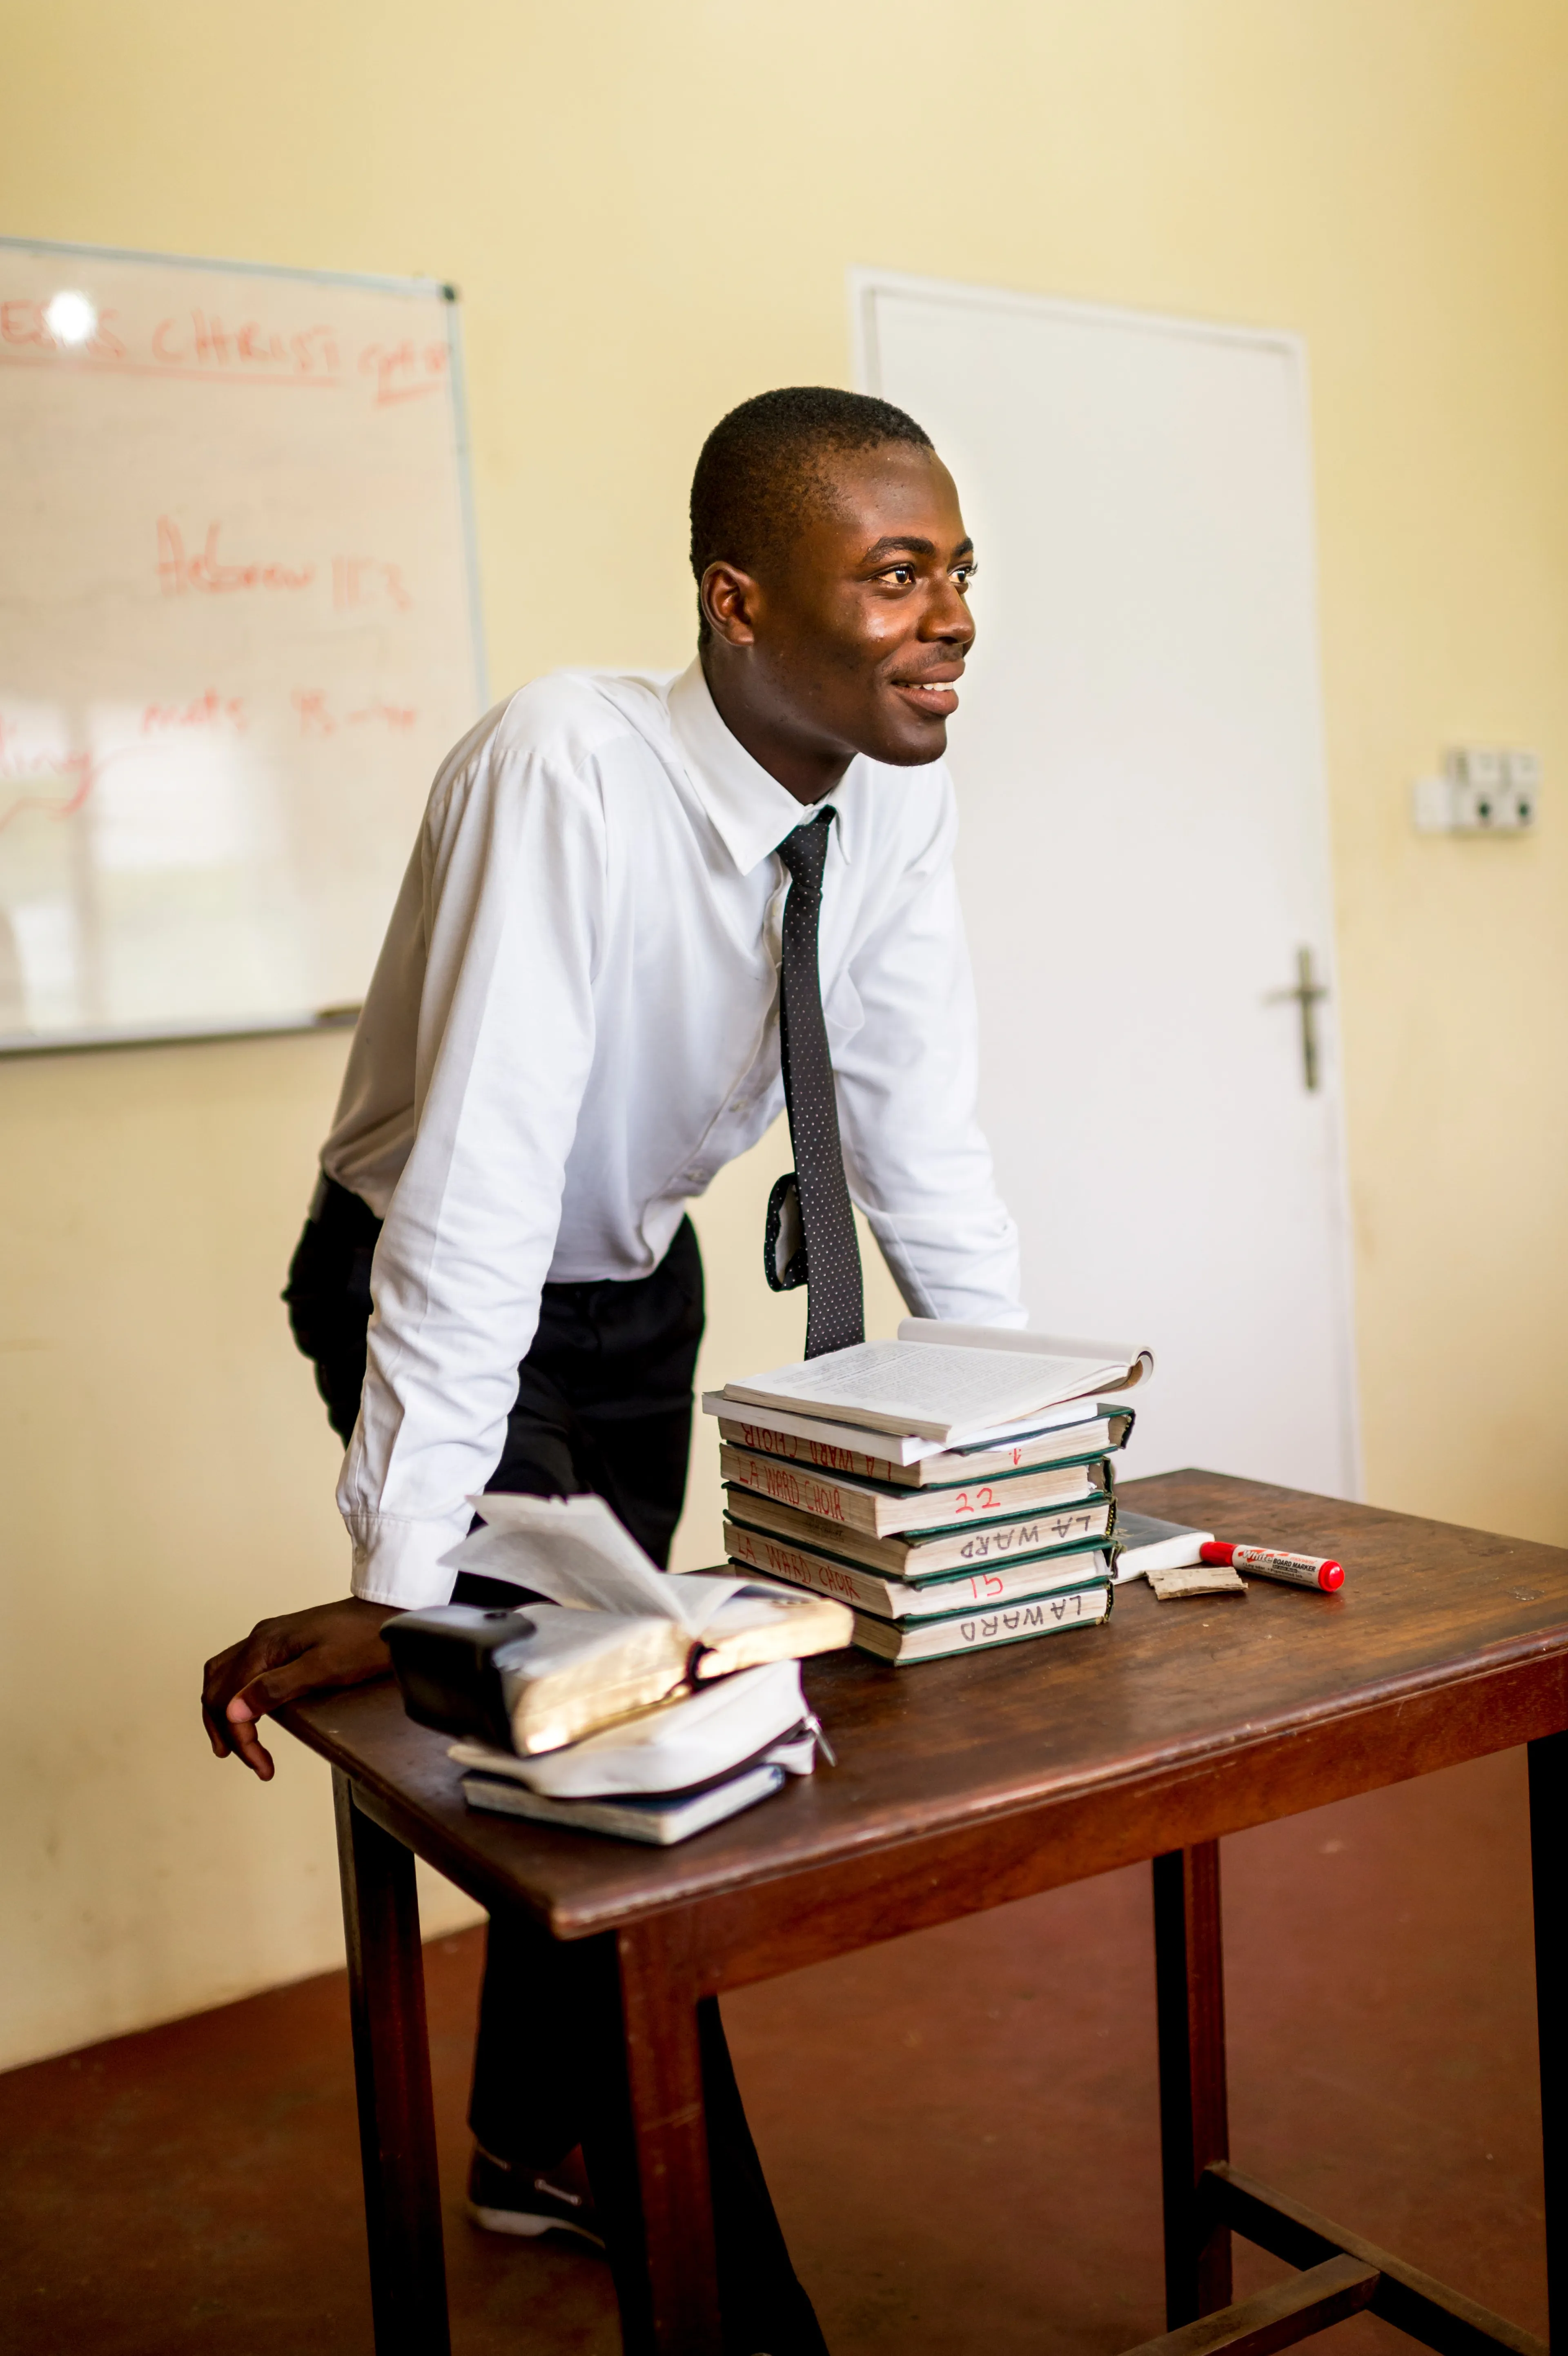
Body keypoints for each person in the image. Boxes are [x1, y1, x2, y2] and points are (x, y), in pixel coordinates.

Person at [201, 385, 1025, 2355]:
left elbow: (924, 1141)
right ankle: (752, 2316)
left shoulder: (892, 793)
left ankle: (522, 2136)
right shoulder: (568, 764)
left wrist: (1017, 1469)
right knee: (638, 1789)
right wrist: (406, 1581)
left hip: (637, 1298)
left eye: (963, 571)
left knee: (579, 1741)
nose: (955, 618)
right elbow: (472, 1196)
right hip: (428, 1279)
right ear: (739, 604)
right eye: (897, 573)